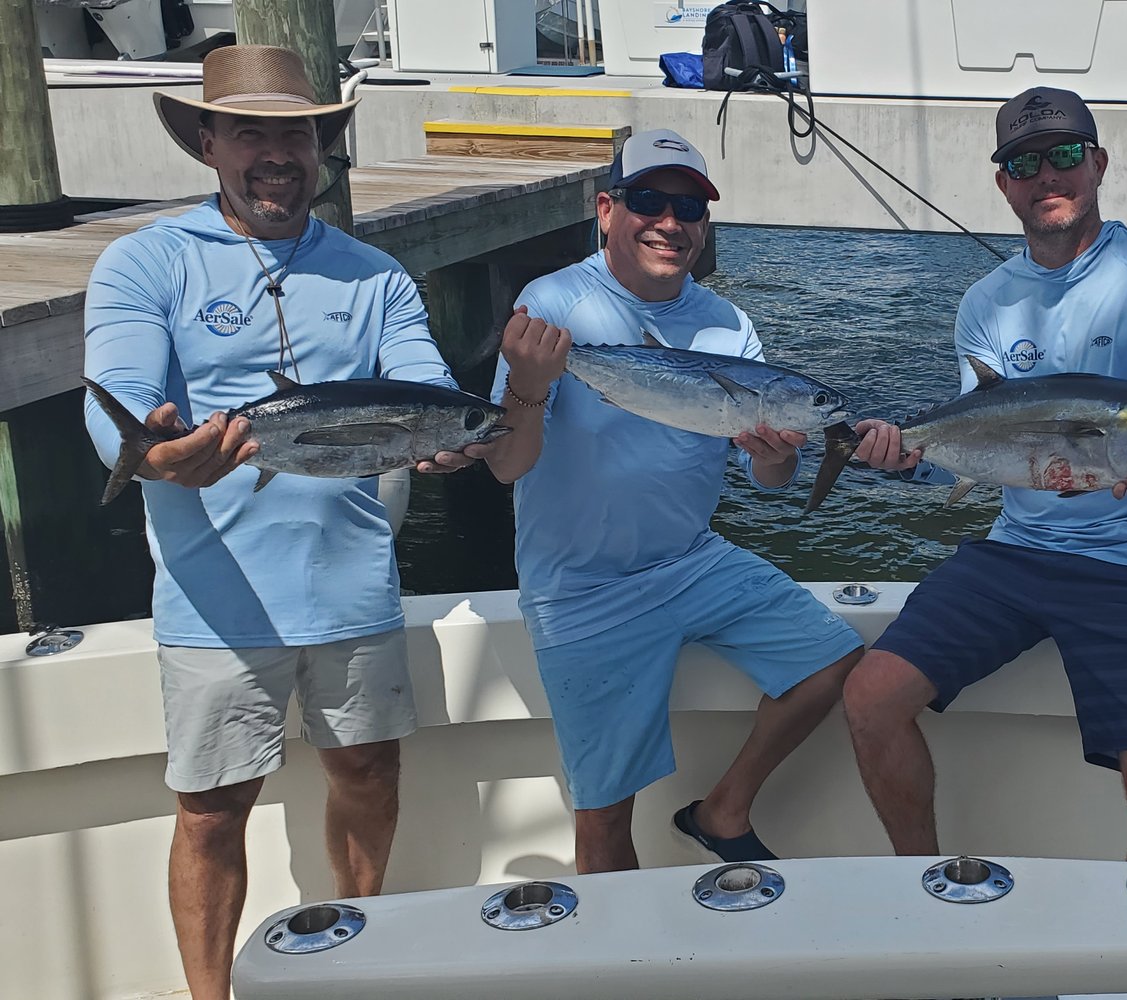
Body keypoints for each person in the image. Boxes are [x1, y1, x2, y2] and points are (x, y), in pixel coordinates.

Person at [81, 45, 482, 1000]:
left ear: (321, 146)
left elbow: (423, 383)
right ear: (208, 142)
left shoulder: (374, 274)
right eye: (251, 131)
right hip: (215, 596)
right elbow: (117, 411)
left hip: (353, 585)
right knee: (212, 811)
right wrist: (157, 456)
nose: (275, 153)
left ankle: (361, 954)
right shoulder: (147, 260)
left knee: (369, 774)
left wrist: (449, 432)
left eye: (294, 133)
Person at [842, 87, 1127, 863]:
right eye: (1023, 162)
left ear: (1098, 163)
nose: (1046, 174)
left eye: (1065, 155)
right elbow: (983, 442)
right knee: (870, 698)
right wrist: (905, 458)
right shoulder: (985, 303)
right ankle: (923, 882)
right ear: (1003, 183)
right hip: (1014, 549)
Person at [477, 128, 864, 874]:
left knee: (832, 660)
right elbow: (507, 466)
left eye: (689, 208)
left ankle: (723, 809)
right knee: (602, 820)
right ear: (606, 209)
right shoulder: (552, 303)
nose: (670, 222)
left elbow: (768, 481)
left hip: (692, 561)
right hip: (581, 587)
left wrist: (778, 454)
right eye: (649, 200)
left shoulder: (728, 325)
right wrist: (527, 381)